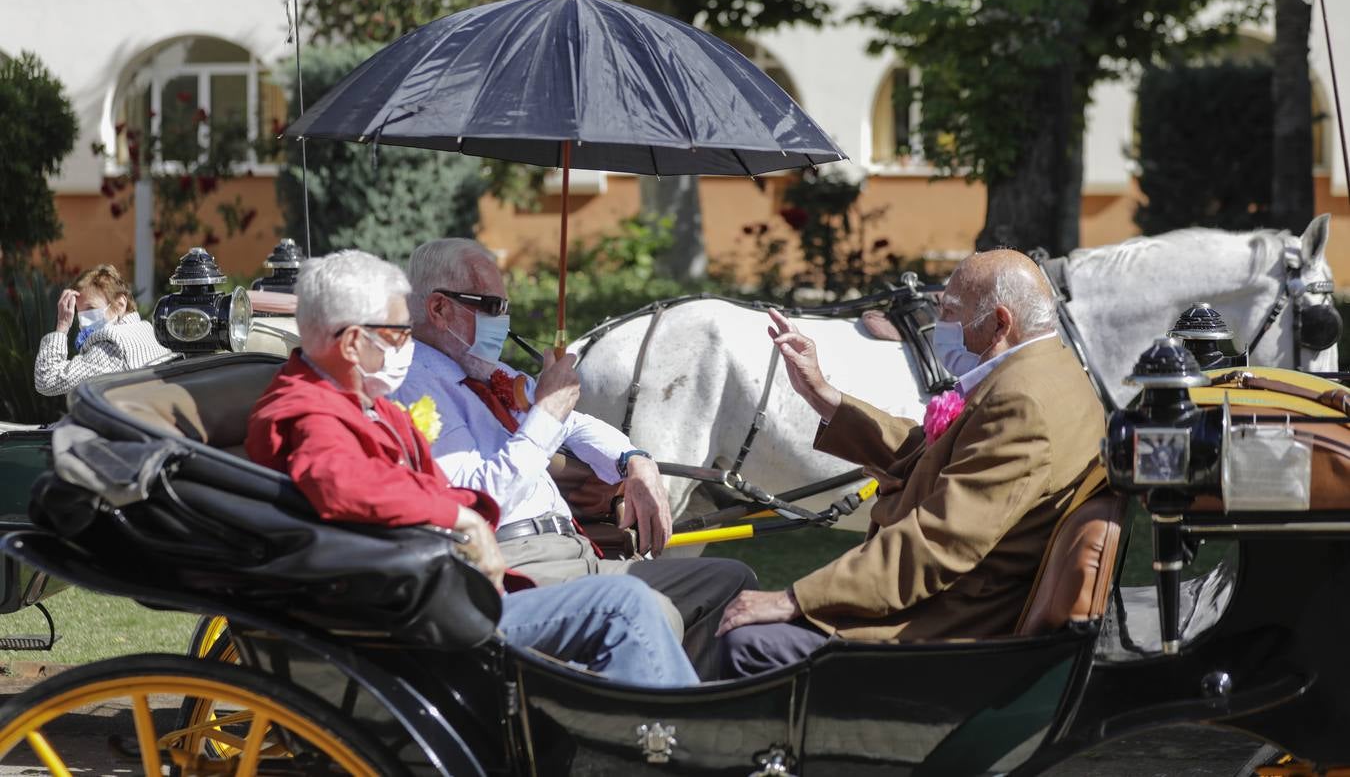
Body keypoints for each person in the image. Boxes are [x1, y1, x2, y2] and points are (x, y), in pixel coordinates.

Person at [246, 249, 697, 688]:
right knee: (626, 604)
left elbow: (417, 482)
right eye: (398, 333)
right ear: (349, 343)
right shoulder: (310, 411)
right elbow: (339, 484)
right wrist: (459, 517)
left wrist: (461, 509)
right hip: (421, 612)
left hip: (449, 588)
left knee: (664, 595)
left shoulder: (354, 399)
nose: (409, 345)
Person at [716, 249, 1107, 677]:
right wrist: (823, 395)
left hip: (953, 621)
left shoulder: (1021, 402)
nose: (940, 325)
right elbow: (940, 453)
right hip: (965, 596)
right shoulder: (1052, 369)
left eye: (951, 312)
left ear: (999, 322)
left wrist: (793, 598)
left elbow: (938, 542)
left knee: (746, 642)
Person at [391, 238, 757, 679]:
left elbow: (575, 424)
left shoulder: (490, 375)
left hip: (577, 548)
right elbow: (477, 501)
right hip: (514, 561)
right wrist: (545, 414)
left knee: (729, 583)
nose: (503, 320)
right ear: (438, 309)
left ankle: (684, 707)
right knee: (652, 608)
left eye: (506, 306)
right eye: (491, 305)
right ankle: (660, 728)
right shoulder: (414, 385)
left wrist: (635, 460)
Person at [34, 264, 172, 397]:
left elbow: (47, 380)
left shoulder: (111, 345)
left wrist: (62, 326)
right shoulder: (149, 331)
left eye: (90, 309)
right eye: (79, 312)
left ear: (120, 304)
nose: (82, 320)